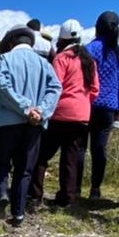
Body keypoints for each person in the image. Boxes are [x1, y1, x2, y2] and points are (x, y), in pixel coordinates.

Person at [0, 25, 62, 226]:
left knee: (2, 162)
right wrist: (41, 111)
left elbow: (2, 87)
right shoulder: (44, 64)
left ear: (10, 43)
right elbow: (55, 88)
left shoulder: (4, 60)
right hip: (33, 124)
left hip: (7, 123)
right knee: (24, 169)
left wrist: (25, 108)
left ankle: (2, 192)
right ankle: (18, 214)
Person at [31, 19, 99, 207]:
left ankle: (35, 194)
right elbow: (95, 89)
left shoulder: (62, 58)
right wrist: (83, 103)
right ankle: (68, 198)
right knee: (70, 158)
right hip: (82, 115)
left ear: (61, 39)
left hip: (60, 113)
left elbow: (55, 85)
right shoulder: (89, 61)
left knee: (42, 155)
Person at [84, 11, 119, 200]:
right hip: (109, 108)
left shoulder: (89, 49)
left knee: (80, 147)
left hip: (88, 103)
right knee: (99, 149)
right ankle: (95, 189)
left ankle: (75, 187)